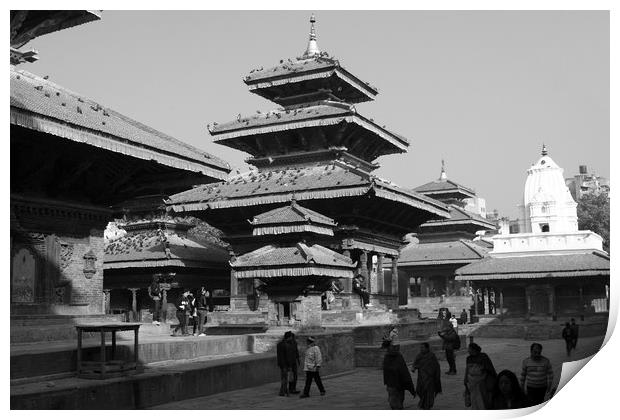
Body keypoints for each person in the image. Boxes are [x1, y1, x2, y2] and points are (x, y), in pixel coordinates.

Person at [383, 337, 415, 409]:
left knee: (400, 399)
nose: (396, 348)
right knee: (394, 401)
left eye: (396, 347)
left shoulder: (399, 356)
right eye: (393, 347)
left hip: (400, 383)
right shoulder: (387, 357)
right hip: (392, 383)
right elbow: (387, 370)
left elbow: (403, 370)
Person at [464, 342, 497, 409]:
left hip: (482, 382)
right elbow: (467, 369)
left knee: (482, 399)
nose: (468, 350)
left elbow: (489, 368)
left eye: (469, 349)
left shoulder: (483, 356)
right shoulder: (469, 358)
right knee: (474, 399)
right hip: (472, 382)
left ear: (474, 349)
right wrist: (465, 379)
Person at [412, 342, 441, 410]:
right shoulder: (419, 355)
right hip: (421, 378)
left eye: (423, 348)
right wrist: (414, 368)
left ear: (427, 348)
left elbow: (436, 366)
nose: (421, 349)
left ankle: (427, 405)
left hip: (430, 378)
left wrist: (436, 375)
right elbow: (415, 363)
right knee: (420, 391)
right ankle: (423, 403)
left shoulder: (431, 356)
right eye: (420, 348)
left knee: (428, 392)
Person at [277, 332, 291, 396]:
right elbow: (287, 356)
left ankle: (284, 390)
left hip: (281, 363)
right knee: (285, 378)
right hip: (285, 364)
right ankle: (283, 391)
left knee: (283, 378)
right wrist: (289, 365)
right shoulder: (286, 345)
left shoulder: (279, 344)